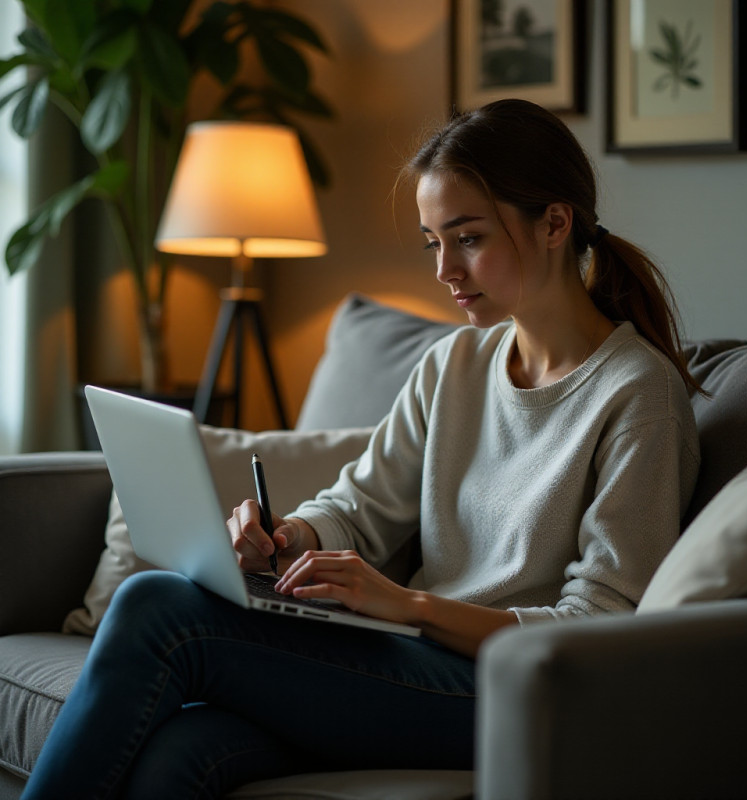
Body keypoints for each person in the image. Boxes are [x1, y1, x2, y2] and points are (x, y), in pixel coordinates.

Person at [22, 99, 700, 799]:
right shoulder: (454, 365)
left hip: (509, 691)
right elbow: (361, 504)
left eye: (467, 238)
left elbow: (599, 629)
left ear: (555, 223)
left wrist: (411, 606)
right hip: (414, 662)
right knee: (184, 751)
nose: (445, 269)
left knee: (157, 607)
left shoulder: (638, 395)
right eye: (433, 242)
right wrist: (289, 535)